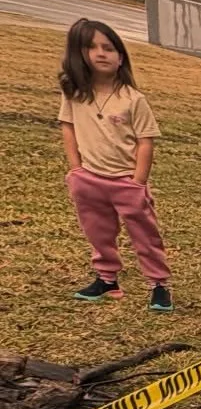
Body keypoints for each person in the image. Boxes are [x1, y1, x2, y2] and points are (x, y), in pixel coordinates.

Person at [57, 18, 173, 312]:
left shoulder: (133, 99)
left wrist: (138, 182)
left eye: (108, 48)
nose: (100, 53)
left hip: (126, 182)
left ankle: (159, 285)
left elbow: (146, 141)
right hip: (89, 180)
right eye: (91, 47)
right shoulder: (74, 93)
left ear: (120, 56)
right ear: (78, 54)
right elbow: (67, 127)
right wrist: (76, 170)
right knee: (98, 231)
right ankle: (107, 279)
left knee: (145, 235)